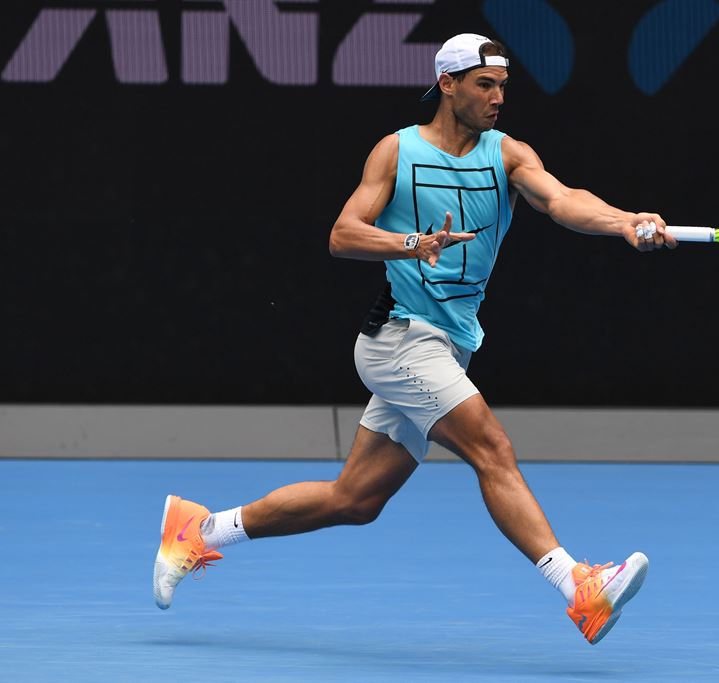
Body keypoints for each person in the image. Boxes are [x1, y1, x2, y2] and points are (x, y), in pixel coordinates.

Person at [153, 33, 675, 645]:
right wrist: (411, 242)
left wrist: (625, 222)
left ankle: (199, 530)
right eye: (485, 85)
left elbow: (563, 200)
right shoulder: (395, 152)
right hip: (400, 341)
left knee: (355, 499)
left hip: (448, 343)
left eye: (503, 86)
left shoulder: (509, 154)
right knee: (491, 448)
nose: (498, 97)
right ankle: (579, 587)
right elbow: (343, 234)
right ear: (448, 85)